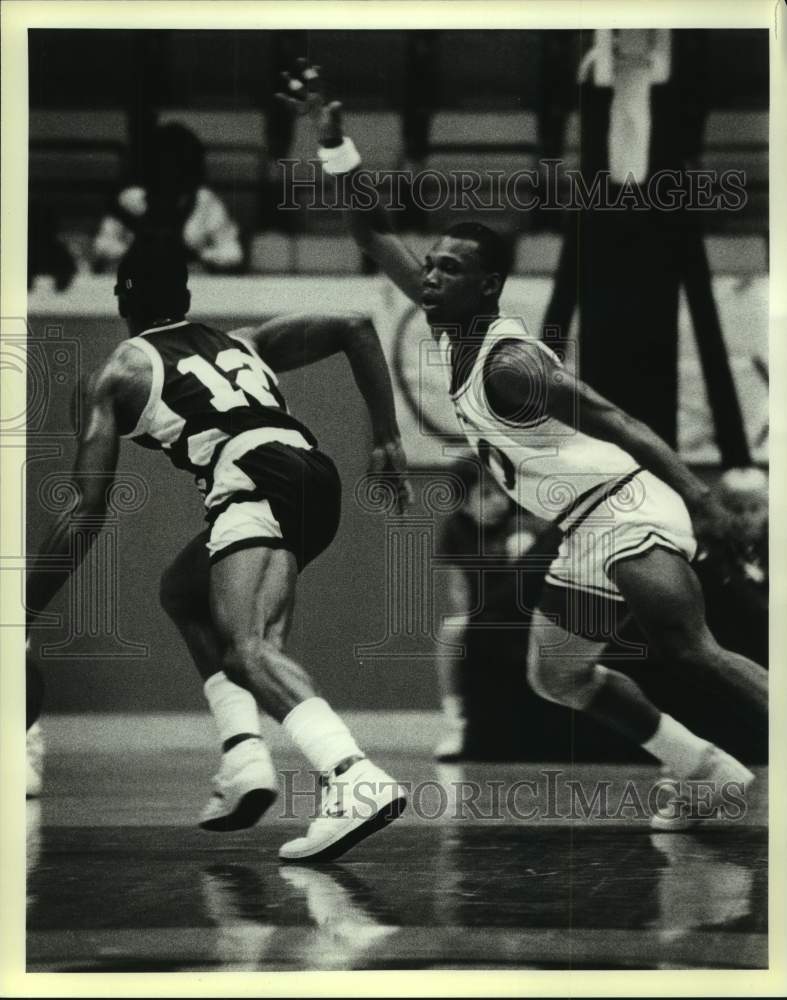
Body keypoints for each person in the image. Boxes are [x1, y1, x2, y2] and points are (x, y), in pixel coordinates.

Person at [281, 65, 768, 829]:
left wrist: (703, 504)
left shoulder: (511, 364)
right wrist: (336, 143)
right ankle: (702, 768)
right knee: (558, 676)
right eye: (433, 265)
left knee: (692, 650)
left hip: (624, 505)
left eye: (450, 270)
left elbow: (620, 421)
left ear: (488, 290)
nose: (432, 277)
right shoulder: (450, 322)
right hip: (581, 528)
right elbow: (374, 233)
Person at [26, 233, 411, 861]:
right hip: (312, 474)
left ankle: (352, 777)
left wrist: (22, 612)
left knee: (247, 649)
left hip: (251, 479)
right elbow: (355, 325)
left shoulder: (120, 370)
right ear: (185, 296)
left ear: (124, 298)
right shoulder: (243, 341)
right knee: (183, 589)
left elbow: (84, 508)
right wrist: (385, 436)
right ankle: (243, 756)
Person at [93, 123, 243, 274]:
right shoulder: (129, 200)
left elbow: (233, 253)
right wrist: (133, 254)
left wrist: (198, 256)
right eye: (162, 165)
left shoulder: (204, 202)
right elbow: (101, 245)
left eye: (176, 165)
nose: (169, 173)